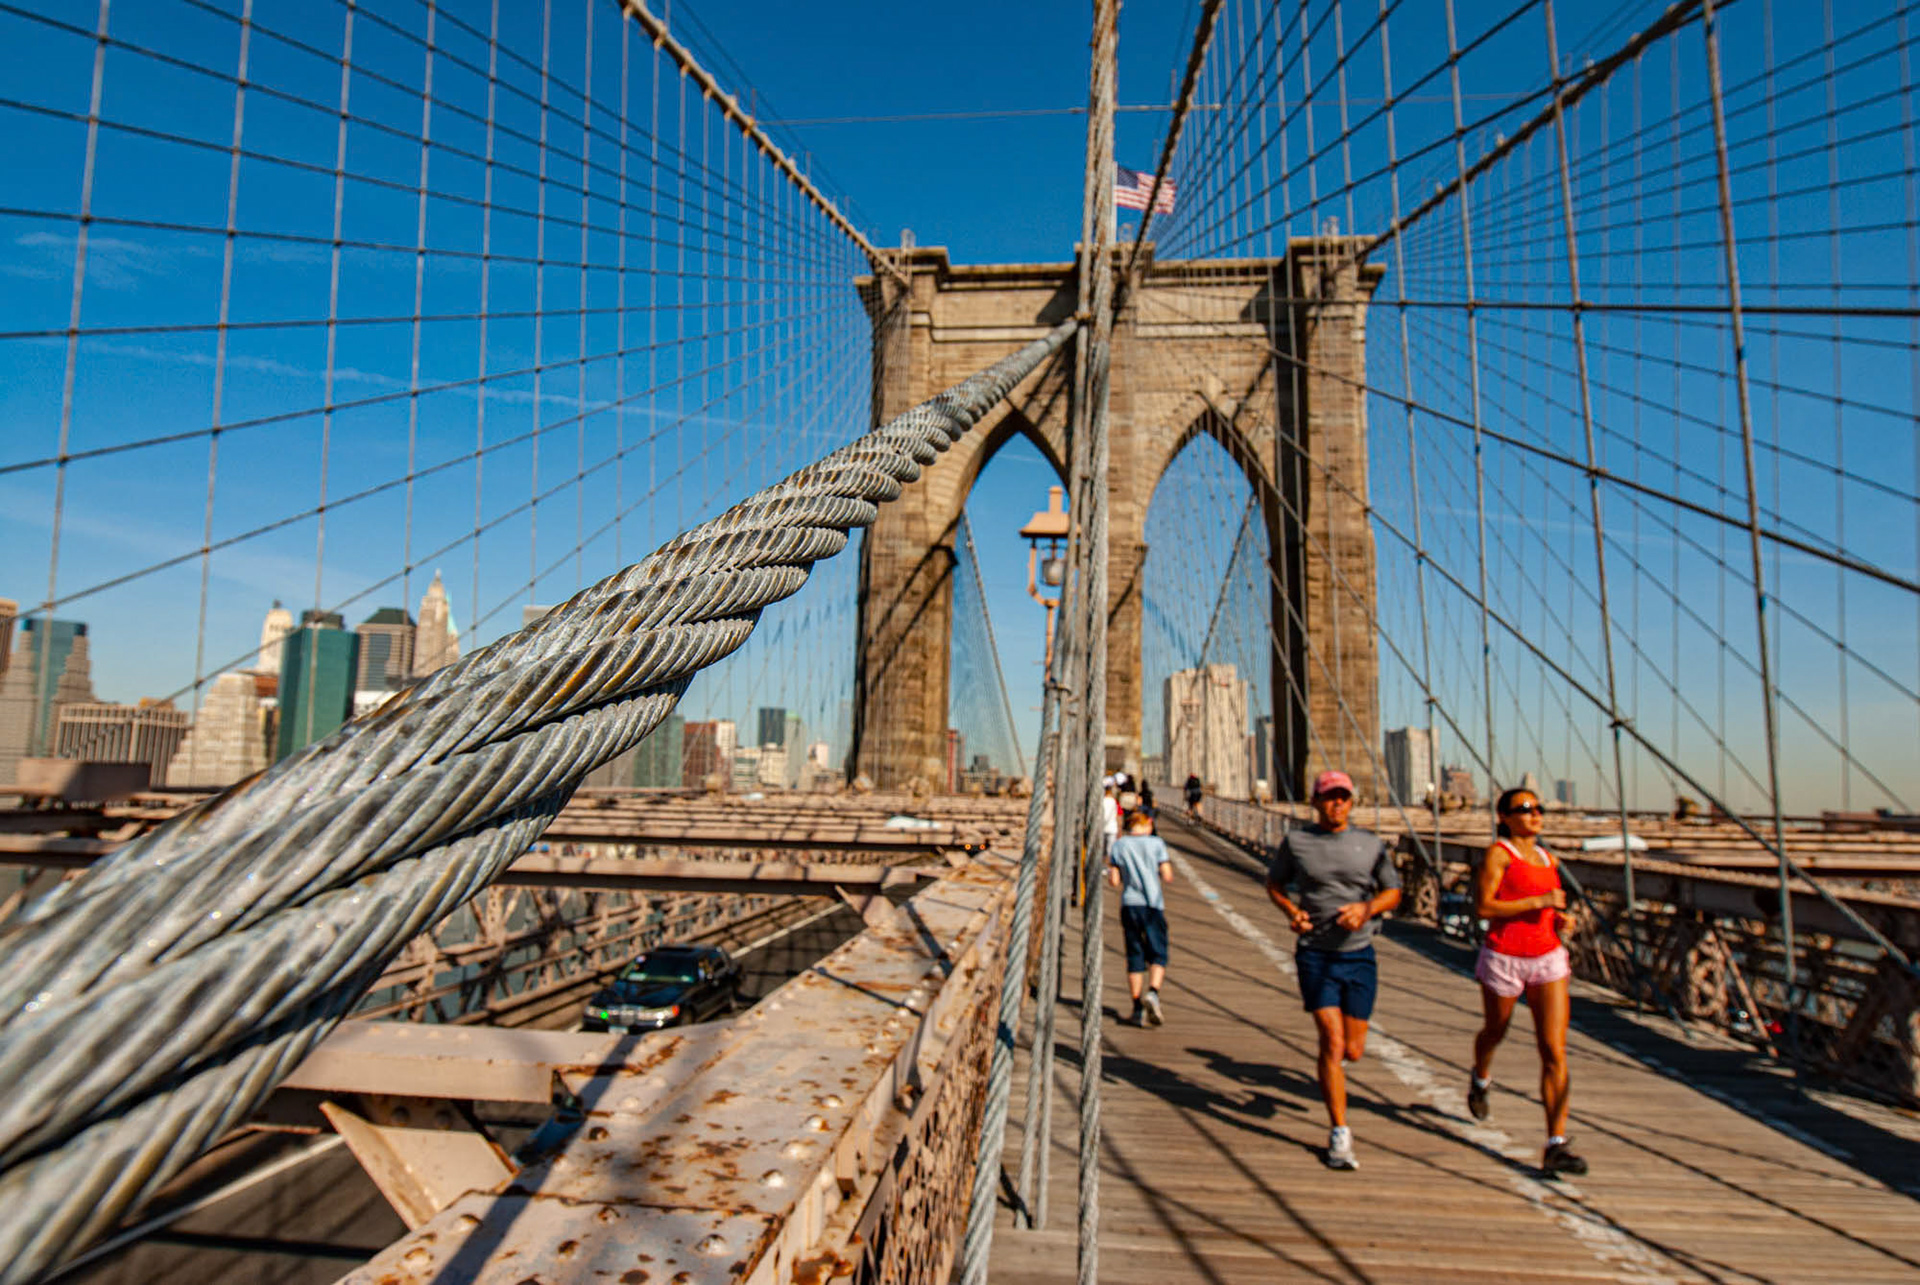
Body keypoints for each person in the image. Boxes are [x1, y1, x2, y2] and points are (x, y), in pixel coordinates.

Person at [1266, 769, 1402, 1171]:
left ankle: (1334, 1075)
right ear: (1316, 802)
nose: (1337, 803)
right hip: (1315, 953)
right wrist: (1292, 911)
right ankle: (1339, 1131)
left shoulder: (1370, 845)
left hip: (1359, 955)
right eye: (1329, 797)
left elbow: (1392, 891)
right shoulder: (1298, 842)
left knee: (1353, 1050)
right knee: (1331, 1039)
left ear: (1352, 801)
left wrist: (1366, 909)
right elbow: (1274, 884)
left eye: (1343, 796)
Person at [1467, 786, 1587, 1177]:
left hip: (1547, 959)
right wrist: (1539, 903)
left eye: (1538, 808)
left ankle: (1556, 1143)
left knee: (1554, 1049)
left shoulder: (1548, 858)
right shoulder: (1500, 854)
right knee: (1495, 1031)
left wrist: (1560, 919)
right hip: (1504, 957)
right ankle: (1481, 1075)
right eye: (1524, 809)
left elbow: (1551, 907)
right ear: (1504, 817)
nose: (1535, 814)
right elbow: (1485, 907)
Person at [1107, 808, 1174, 1026]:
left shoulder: (1119, 846)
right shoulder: (1156, 844)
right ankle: (1153, 993)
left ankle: (1136, 1009)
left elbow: (1114, 881)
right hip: (1153, 905)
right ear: (1147, 825)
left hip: (1130, 905)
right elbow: (1167, 875)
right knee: (1158, 953)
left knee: (1135, 955)